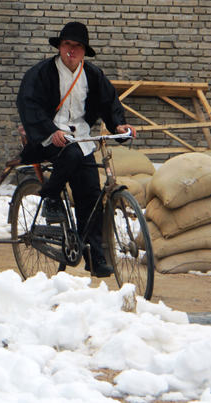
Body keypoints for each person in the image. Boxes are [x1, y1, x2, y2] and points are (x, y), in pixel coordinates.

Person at [16, 21, 134, 277]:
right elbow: (30, 104)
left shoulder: (92, 75)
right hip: (48, 138)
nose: (72, 51)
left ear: (84, 51)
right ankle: (50, 196)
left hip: (80, 139)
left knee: (91, 194)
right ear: (59, 47)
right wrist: (50, 130)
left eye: (77, 47)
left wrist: (119, 125)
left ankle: (95, 256)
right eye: (67, 45)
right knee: (69, 153)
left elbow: (109, 103)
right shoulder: (41, 73)